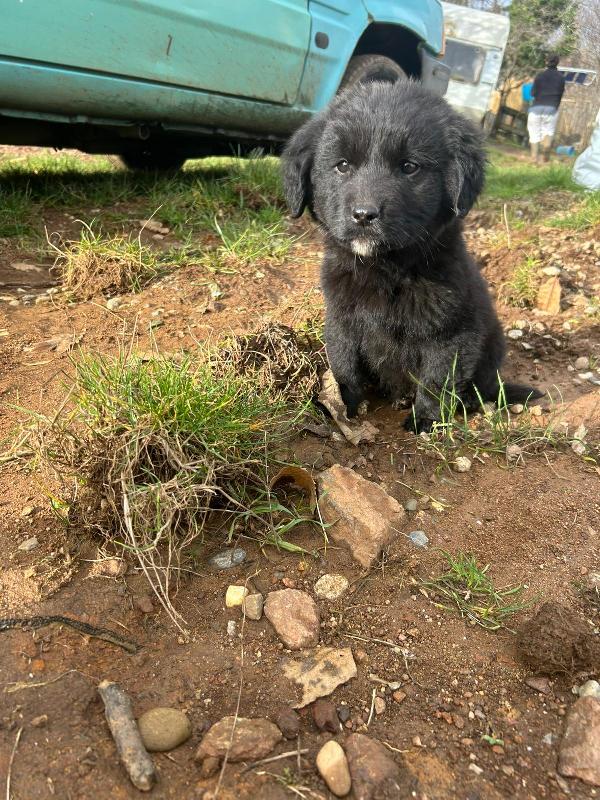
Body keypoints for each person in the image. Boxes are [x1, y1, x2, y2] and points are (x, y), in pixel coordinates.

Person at [527, 53, 566, 164]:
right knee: (548, 132)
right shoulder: (561, 78)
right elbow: (560, 94)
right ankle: (545, 158)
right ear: (557, 63)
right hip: (552, 108)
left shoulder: (540, 76)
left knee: (534, 133)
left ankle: (534, 159)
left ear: (546, 62)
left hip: (536, 107)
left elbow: (532, 93)